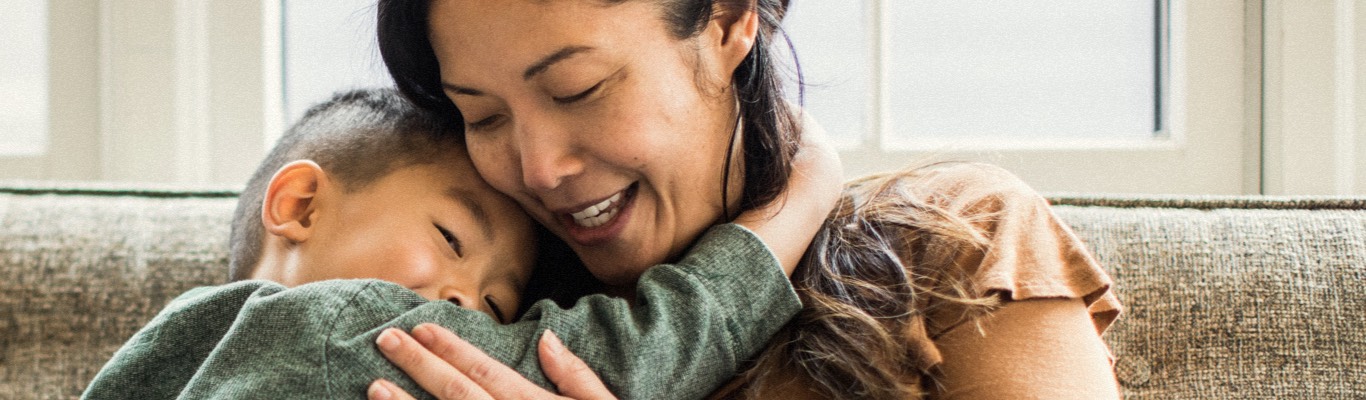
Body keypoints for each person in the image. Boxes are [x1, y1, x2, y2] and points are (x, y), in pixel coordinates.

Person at [371, 0, 1122, 399]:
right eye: (484, 117)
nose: (538, 169)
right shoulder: (475, 318)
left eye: (580, 89)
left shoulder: (952, 241)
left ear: (729, 20)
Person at [81, 88, 838, 399]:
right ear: (300, 202)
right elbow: (631, 353)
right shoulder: (336, 324)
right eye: (450, 238)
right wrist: (800, 197)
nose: (464, 302)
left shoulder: (172, 344)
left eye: (496, 304)